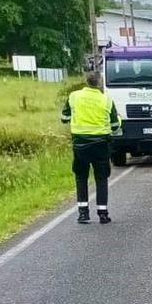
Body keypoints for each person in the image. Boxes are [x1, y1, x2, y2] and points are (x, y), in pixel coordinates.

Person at [61, 71, 121, 224]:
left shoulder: (74, 96)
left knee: (81, 177)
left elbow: (64, 118)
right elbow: (115, 125)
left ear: (86, 82)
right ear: (100, 83)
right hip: (101, 144)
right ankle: (102, 213)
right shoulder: (106, 100)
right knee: (101, 178)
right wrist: (119, 120)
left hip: (80, 143)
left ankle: (83, 213)